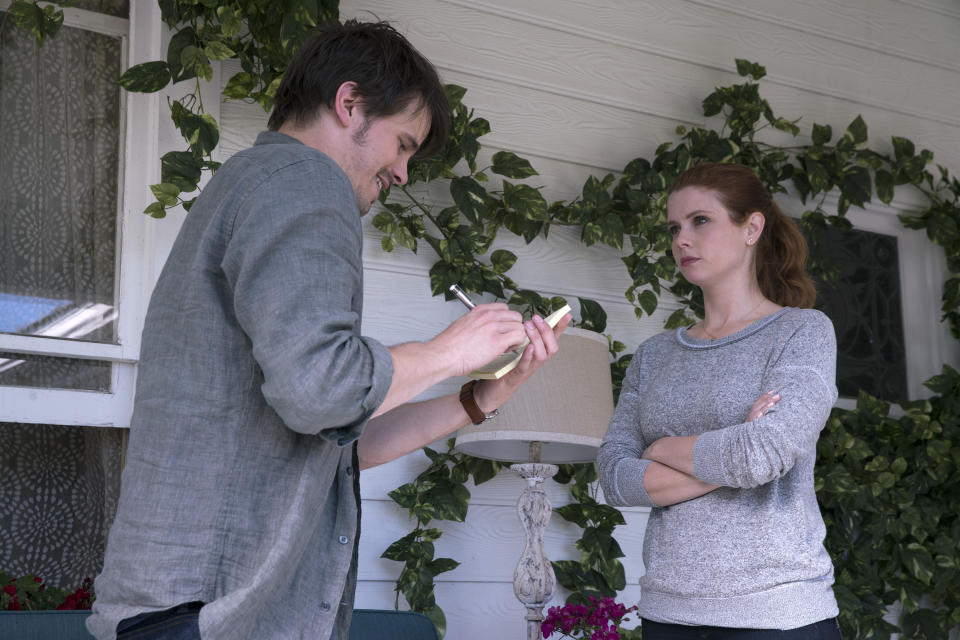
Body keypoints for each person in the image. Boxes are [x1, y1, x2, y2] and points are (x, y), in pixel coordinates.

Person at [87, 20, 570, 640]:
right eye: (402, 143)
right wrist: (449, 350)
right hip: (209, 616)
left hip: (183, 613)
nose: (402, 172)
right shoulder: (303, 180)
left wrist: (481, 397)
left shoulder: (251, 185)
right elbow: (323, 390)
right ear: (349, 104)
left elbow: (336, 444)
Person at [597, 162, 842, 639]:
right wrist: (730, 451)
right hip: (667, 615)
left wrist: (661, 450)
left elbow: (762, 455)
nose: (681, 240)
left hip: (777, 615)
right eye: (674, 227)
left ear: (752, 227)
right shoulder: (654, 356)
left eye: (700, 221)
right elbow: (614, 477)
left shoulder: (803, 332)